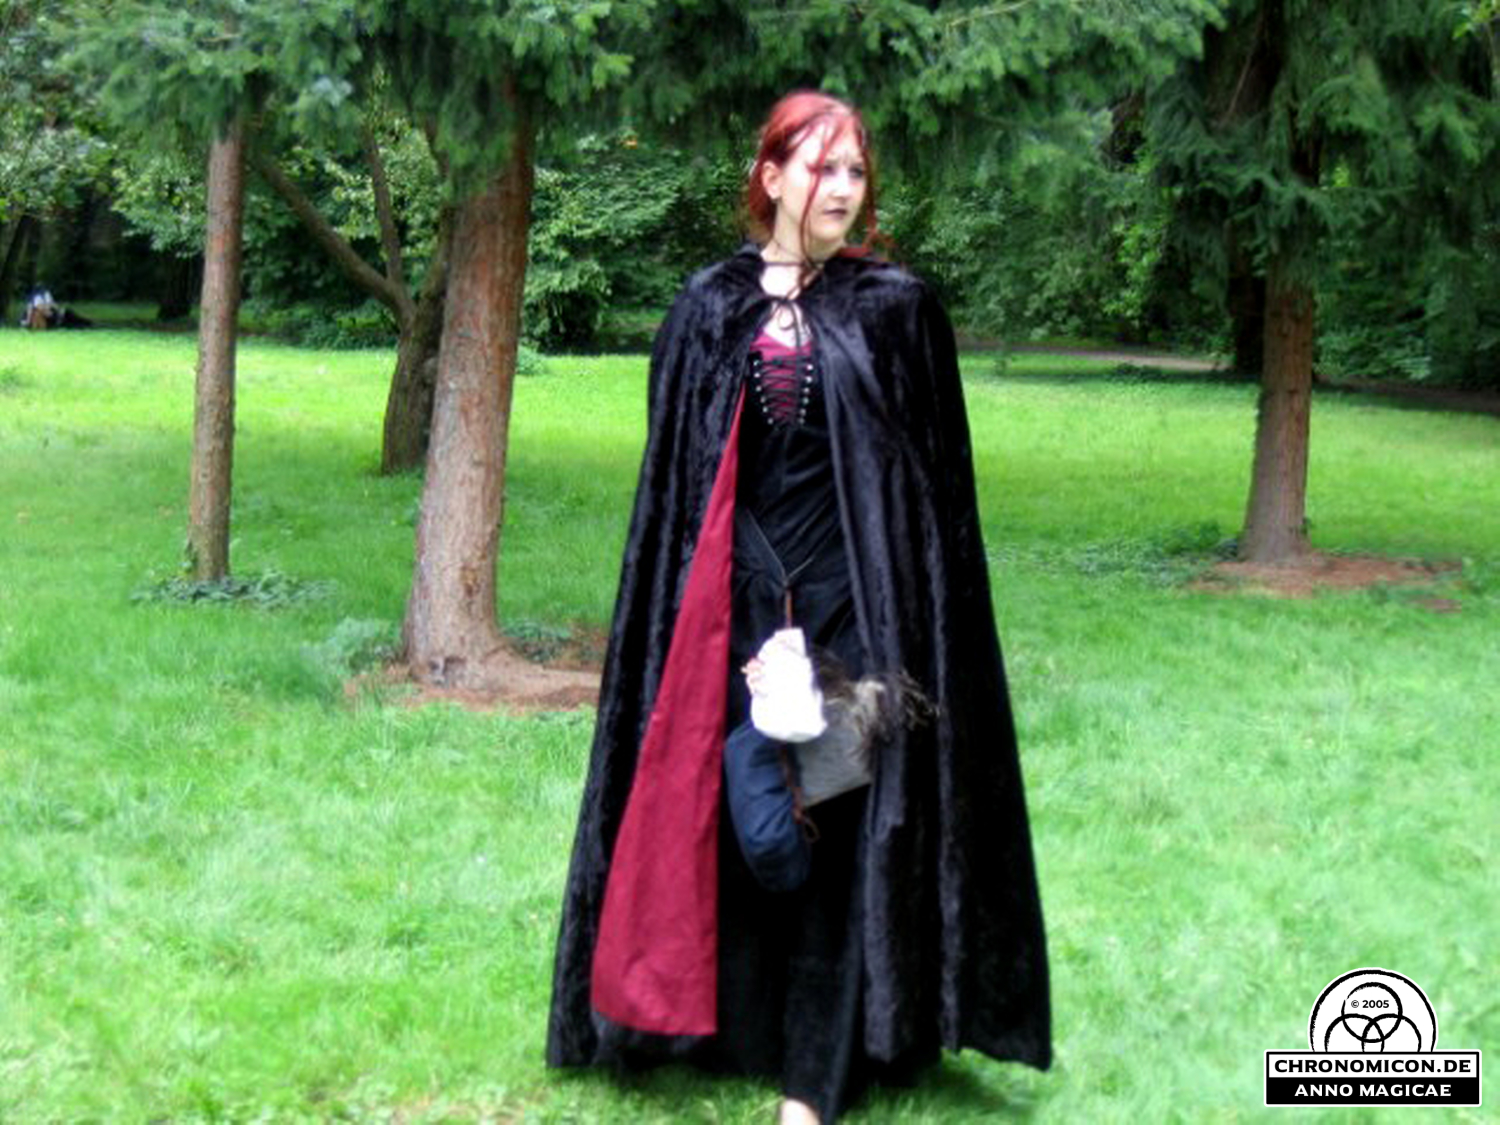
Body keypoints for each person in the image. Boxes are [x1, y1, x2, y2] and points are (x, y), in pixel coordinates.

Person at [547, 91, 1050, 1123]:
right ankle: (734, 1028)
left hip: (858, 605)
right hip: (731, 608)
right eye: (822, 168)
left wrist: (889, 617)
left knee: (838, 812)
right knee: (740, 806)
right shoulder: (708, 308)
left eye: (856, 171)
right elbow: (676, 488)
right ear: (771, 177)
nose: (842, 188)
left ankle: (813, 1078)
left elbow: (931, 494)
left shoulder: (896, 311)